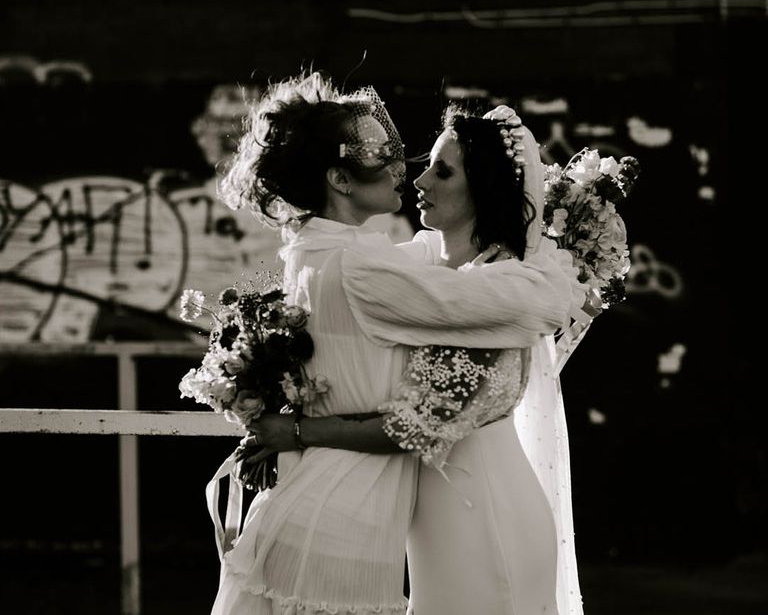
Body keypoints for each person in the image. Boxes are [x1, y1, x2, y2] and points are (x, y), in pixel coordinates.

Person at [210, 71, 584, 615]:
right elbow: (537, 304)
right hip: (346, 510)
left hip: (349, 502)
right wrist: (554, 256)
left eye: (437, 167)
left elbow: (433, 270)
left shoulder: (313, 253)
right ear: (340, 179)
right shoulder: (363, 266)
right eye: (377, 152)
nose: (402, 170)